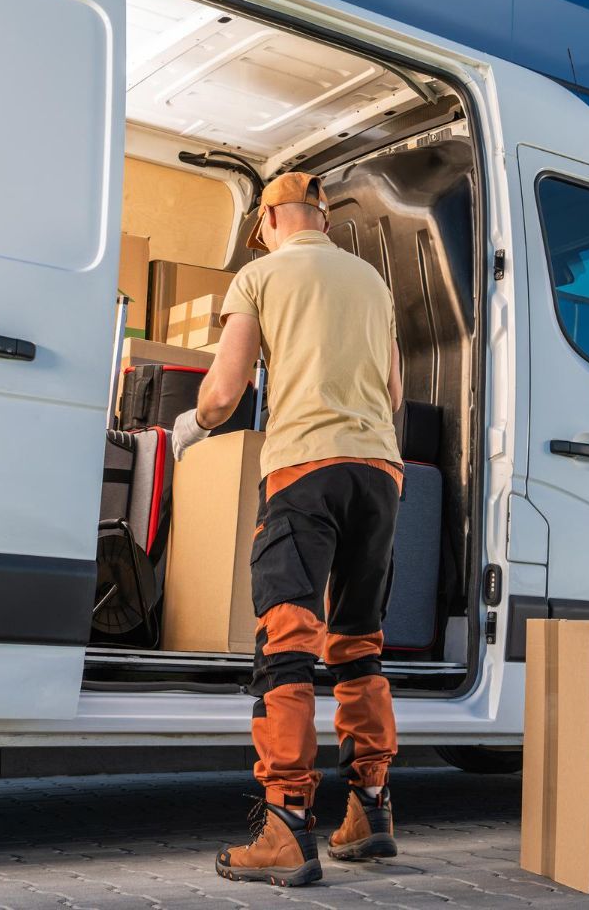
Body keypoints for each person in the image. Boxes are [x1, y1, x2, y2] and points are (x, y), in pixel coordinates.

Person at [172, 171, 404, 888]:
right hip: (380, 473)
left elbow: (224, 387)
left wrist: (192, 425)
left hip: (304, 469)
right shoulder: (370, 281)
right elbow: (395, 392)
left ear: (270, 221)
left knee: (287, 642)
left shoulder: (260, 276)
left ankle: (286, 826)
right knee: (358, 644)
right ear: (323, 220)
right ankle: (369, 811)